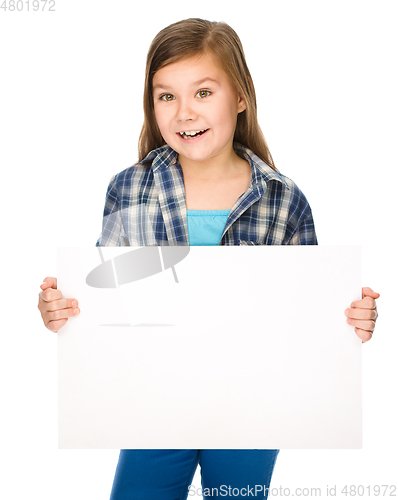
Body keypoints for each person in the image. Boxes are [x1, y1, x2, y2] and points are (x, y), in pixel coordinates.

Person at [37, 18, 380, 500]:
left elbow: (308, 316)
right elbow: (104, 299)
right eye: (166, 96)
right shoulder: (130, 188)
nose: (183, 113)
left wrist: (352, 321)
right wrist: (63, 310)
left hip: (251, 408)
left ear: (239, 96)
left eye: (203, 92)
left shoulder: (283, 200)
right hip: (153, 404)